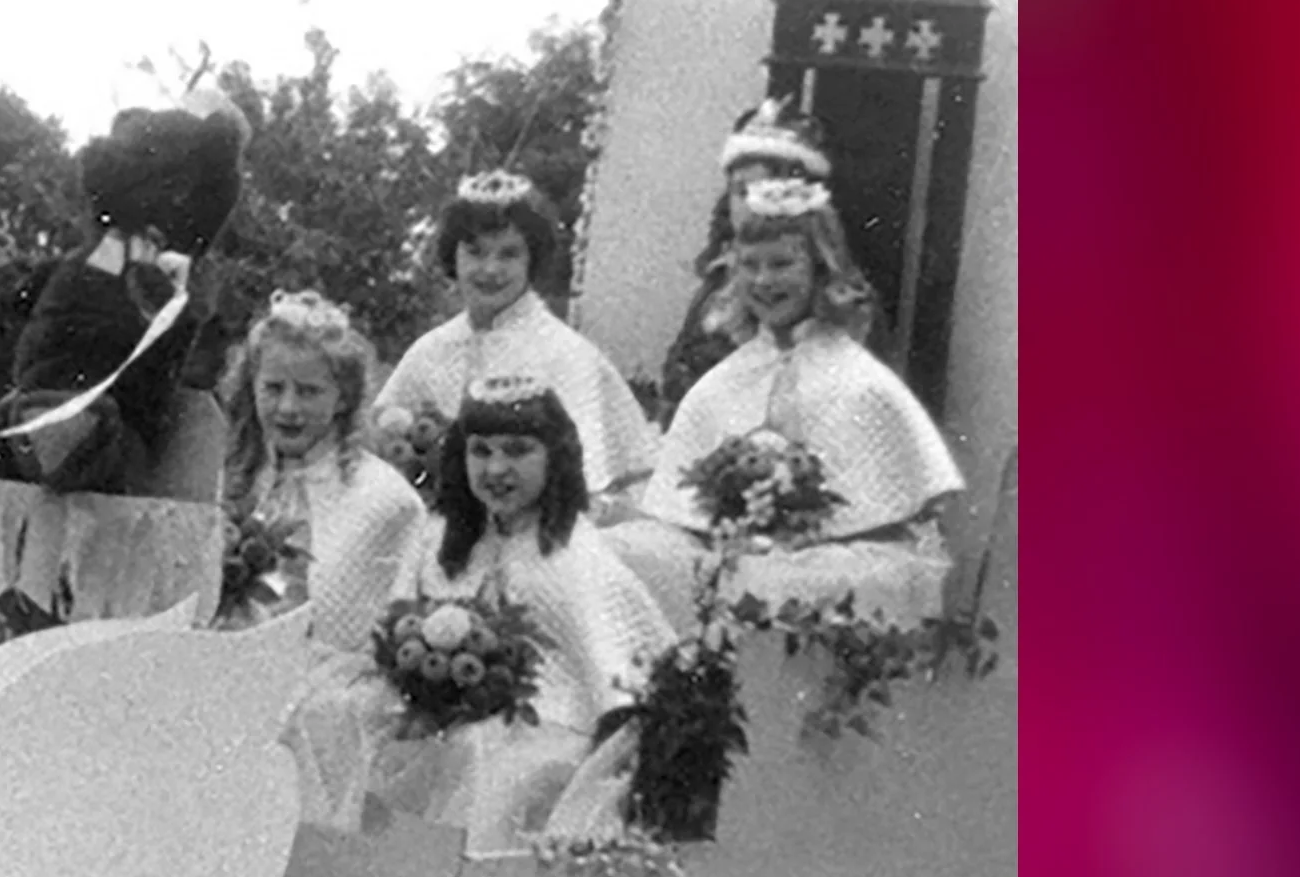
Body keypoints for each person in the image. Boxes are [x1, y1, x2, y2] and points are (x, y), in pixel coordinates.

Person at [0, 98, 247, 495]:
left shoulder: (171, 274)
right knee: (4, 430)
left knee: (76, 434)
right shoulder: (101, 255)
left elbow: (191, 358)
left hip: (107, 423)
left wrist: (171, 297)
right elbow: (22, 286)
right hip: (36, 406)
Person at [377, 375, 674, 851]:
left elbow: (619, 677)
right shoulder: (440, 536)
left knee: (494, 766)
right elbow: (398, 624)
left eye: (517, 451)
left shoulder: (573, 554)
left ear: (553, 456)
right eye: (481, 450)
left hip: (551, 729)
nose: (496, 468)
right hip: (451, 723)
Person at [641, 176, 965, 544]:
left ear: (820, 268)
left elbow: (891, 520)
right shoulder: (718, 387)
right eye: (750, 265)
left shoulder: (861, 383)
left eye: (781, 264)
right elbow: (681, 516)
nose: (764, 280)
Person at [372, 172, 656, 515]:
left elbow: (585, 479)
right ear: (454, 256)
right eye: (475, 253)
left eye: (508, 255)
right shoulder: (431, 349)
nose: (489, 269)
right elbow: (384, 442)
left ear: (531, 260)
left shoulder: (564, 354)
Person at [220, 290, 426, 650]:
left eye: (309, 391)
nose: (287, 407)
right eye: (273, 388)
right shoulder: (234, 480)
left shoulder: (386, 501)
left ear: (342, 397)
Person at [656, 100, 837, 420]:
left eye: (766, 188)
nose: (752, 203)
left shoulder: (829, 291)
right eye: (741, 190)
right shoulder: (718, 283)